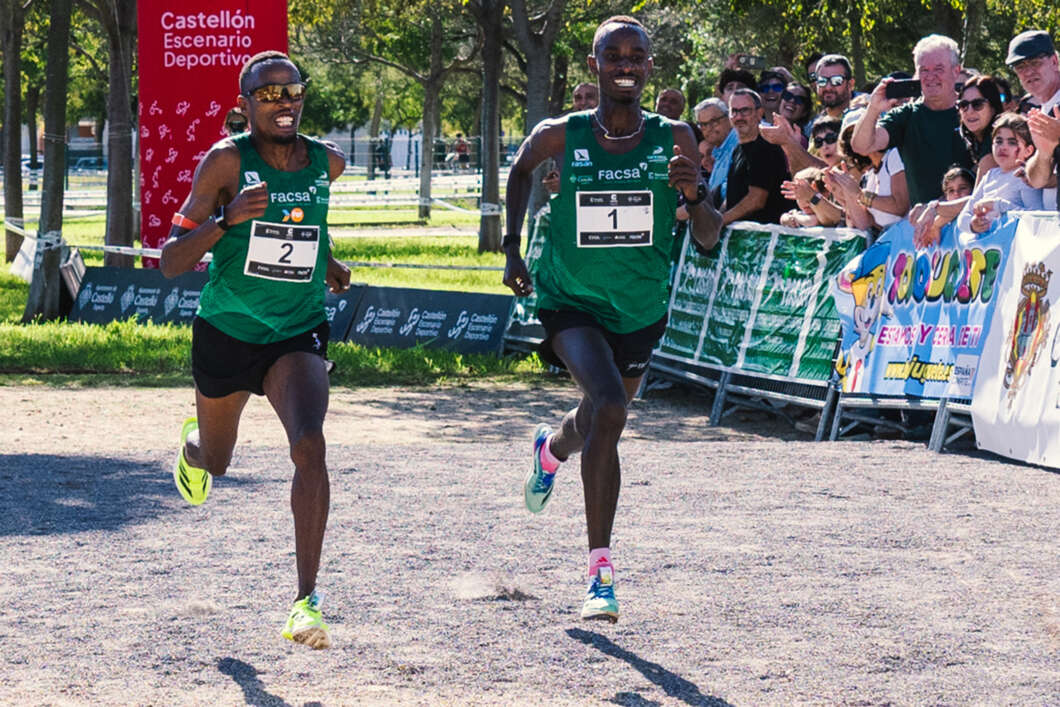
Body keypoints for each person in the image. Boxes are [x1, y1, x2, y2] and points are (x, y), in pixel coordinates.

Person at [502, 16, 723, 624]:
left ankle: (551, 451)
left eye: (637, 55)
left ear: (650, 67)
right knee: (612, 407)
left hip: (639, 306)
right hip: (570, 297)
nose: (626, 64)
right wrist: (511, 245)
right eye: (614, 55)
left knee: (598, 415)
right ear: (595, 65)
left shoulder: (674, 136)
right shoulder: (561, 134)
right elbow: (520, 170)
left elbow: (707, 240)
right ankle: (601, 572)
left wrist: (696, 194)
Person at [159, 50, 351, 650]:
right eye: (267, 95)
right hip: (227, 331)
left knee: (310, 443)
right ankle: (194, 449)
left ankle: (305, 601)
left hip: (296, 330)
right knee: (218, 462)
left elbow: (302, 226)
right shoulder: (225, 162)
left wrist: (328, 262)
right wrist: (227, 217)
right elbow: (171, 260)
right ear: (243, 106)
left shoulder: (327, 161)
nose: (282, 102)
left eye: (291, 91)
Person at [851, 34, 972, 206]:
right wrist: (873, 108)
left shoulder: (971, 111)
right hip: (923, 223)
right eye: (924, 70)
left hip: (969, 217)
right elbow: (862, 146)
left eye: (938, 69)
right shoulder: (906, 116)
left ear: (956, 71)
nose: (930, 77)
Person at [955, 112, 1042, 234]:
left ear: (1028, 151)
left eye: (1012, 142)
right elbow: (963, 217)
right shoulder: (990, 176)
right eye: (999, 141)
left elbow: (1037, 219)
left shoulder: (1026, 177)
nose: (1003, 147)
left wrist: (998, 205)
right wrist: (973, 224)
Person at [721, 89, 794, 225]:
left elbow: (756, 200)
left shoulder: (766, 146)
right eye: (734, 111)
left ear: (759, 113)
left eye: (745, 111)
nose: (738, 117)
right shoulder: (738, 149)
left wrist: (720, 222)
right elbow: (734, 197)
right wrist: (717, 215)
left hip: (767, 240)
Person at [1013, 30, 1060, 210]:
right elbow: (1037, 180)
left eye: (1035, 62)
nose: (1028, 72)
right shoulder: (1041, 111)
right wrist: (1044, 153)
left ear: (1054, 61)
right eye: (1020, 67)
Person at [957, 75, 1004, 178]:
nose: (969, 111)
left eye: (977, 104)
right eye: (964, 105)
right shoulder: (979, 141)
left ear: (993, 108)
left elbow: (980, 194)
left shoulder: (996, 141)